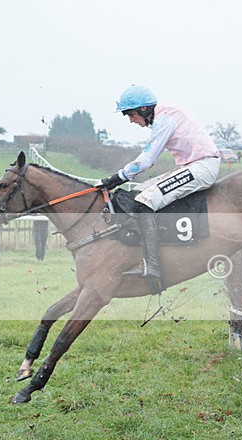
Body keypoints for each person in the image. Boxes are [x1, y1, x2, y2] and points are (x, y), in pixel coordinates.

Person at [95, 85, 221, 292]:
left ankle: (152, 265)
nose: (131, 120)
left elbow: (146, 160)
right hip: (192, 165)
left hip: (202, 167)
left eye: (131, 114)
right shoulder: (164, 115)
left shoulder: (164, 120)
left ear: (144, 109)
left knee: (145, 201)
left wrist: (115, 178)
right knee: (138, 193)